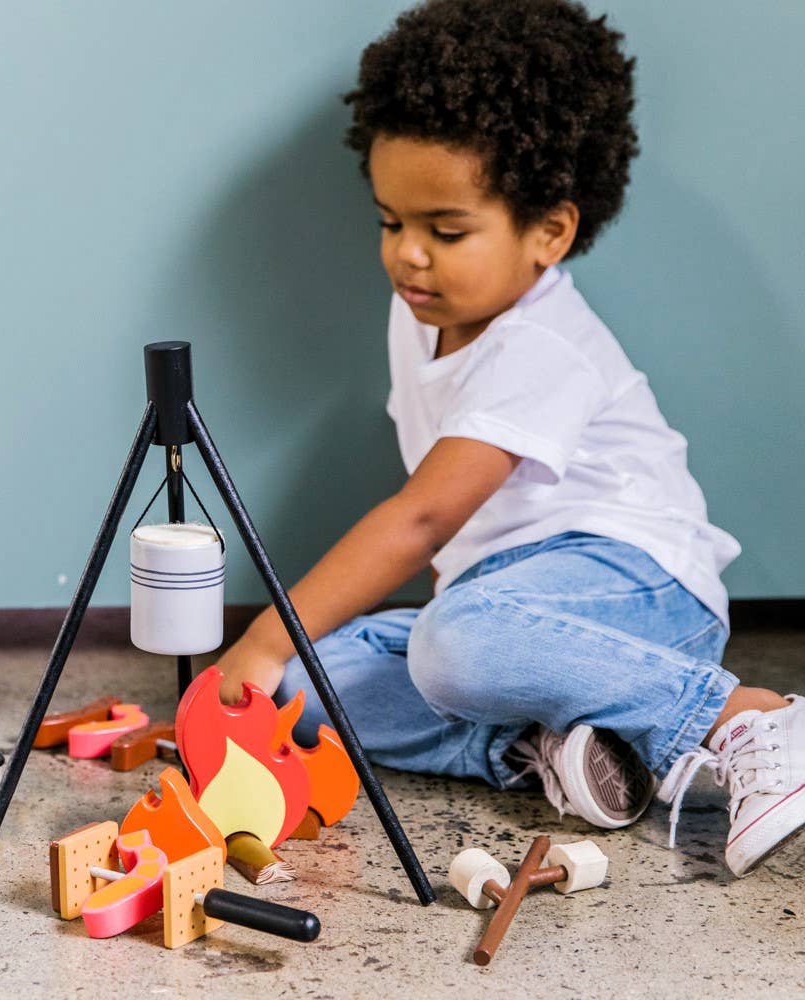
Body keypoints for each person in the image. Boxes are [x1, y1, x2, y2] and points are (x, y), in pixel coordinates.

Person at [215, 0, 803, 877]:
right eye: (391, 222)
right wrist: (281, 663)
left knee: (451, 644)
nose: (409, 256)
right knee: (304, 690)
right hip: (509, 610)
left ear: (550, 232)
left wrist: (267, 634)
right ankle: (553, 750)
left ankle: (748, 717)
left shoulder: (542, 347)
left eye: (446, 231)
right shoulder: (420, 310)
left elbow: (422, 521)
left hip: (636, 595)